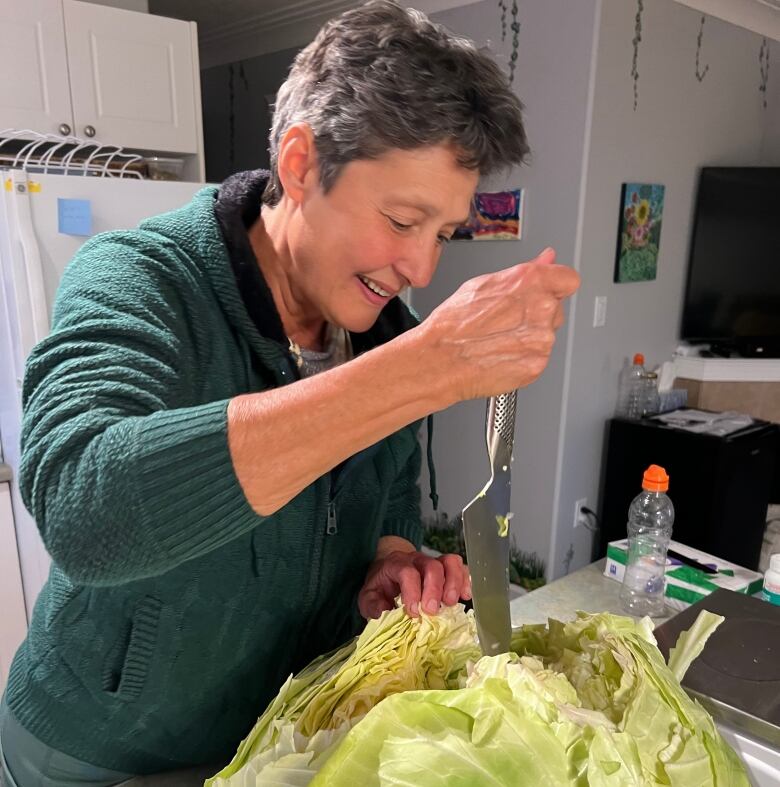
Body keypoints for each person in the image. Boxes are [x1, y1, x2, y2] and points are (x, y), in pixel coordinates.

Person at [0, 1, 579, 784]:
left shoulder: (383, 331)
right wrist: (421, 367)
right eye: (404, 219)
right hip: (99, 753)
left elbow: (388, 510)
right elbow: (83, 508)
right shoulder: (137, 277)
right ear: (300, 165)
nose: (421, 269)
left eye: (442, 232)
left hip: (278, 740)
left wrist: (393, 564)